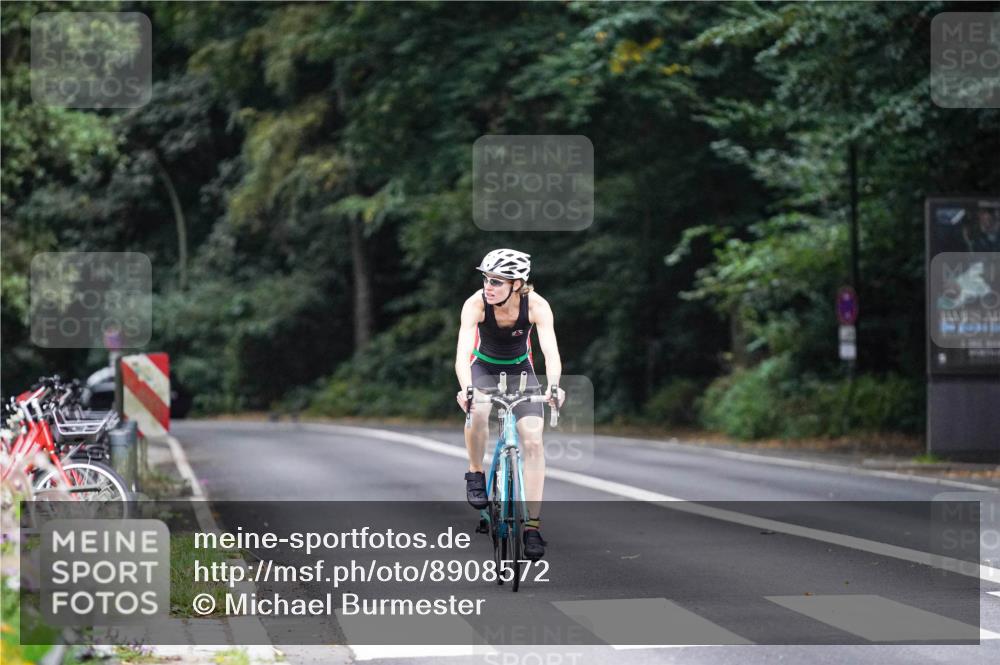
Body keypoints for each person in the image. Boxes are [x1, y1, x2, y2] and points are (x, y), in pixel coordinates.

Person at [455, 249, 565, 560]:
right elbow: (463, 356)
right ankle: (475, 472)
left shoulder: (537, 306)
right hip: (484, 368)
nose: (487, 286)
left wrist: (554, 386)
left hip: (520, 371)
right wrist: (467, 389)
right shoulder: (476, 304)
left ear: (516, 284)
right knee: (478, 409)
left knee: (532, 441)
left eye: (496, 282)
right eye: (485, 279)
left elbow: (551, 353)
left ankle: (532, 526)